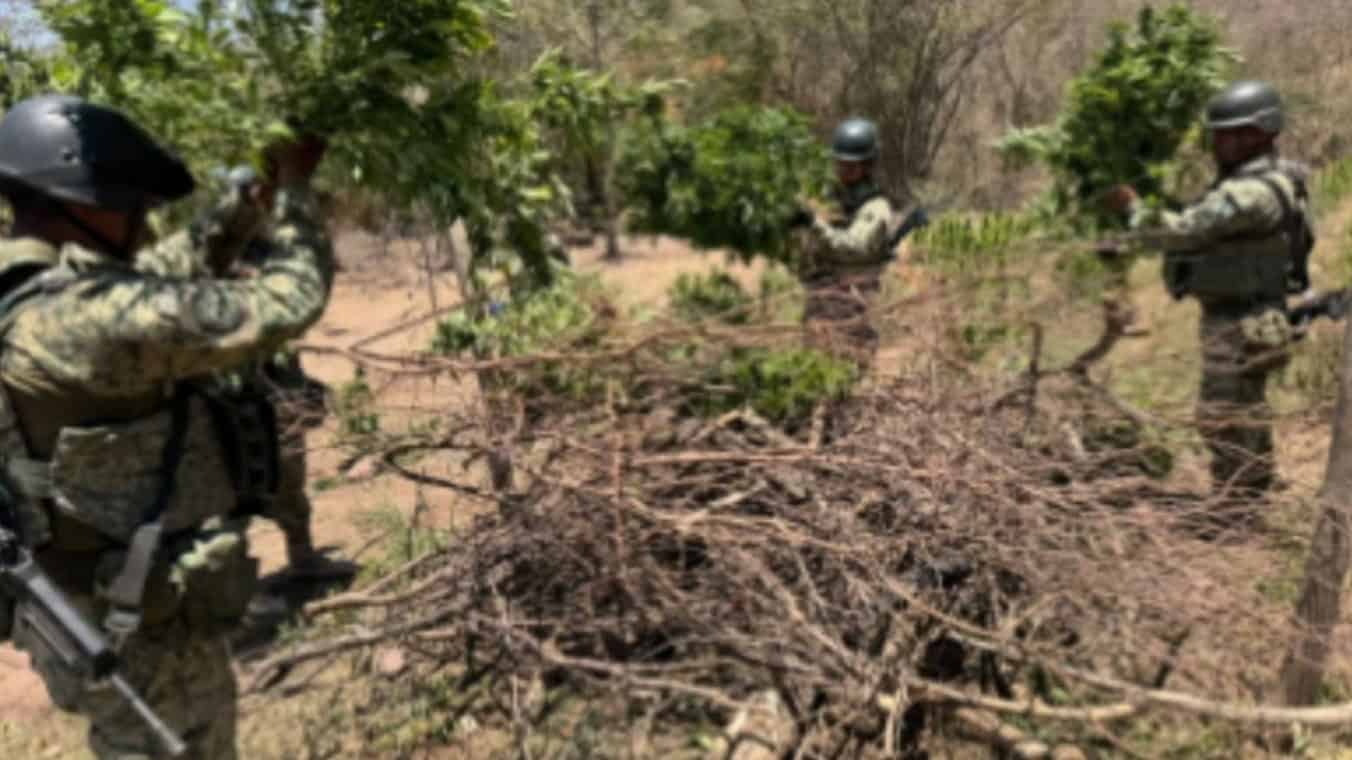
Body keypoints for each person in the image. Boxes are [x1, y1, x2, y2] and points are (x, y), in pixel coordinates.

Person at [0, 94, 333, 758]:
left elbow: (152, 274)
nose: (145, 225)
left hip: (79, 600)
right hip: (138, 626)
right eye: (132, 207)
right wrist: (295, 193)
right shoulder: (86, 319)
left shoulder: (26, 295)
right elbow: (288, 299)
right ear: (82, 202)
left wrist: (244, 207)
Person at [1105, 80, 1312, 520]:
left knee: (1222, 416)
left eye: (1232, 134)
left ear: (1262, 133)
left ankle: (1234, 510)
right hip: (1249, 316)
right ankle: (1248, 495)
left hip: (1241, 322)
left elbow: (1182, 230)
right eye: (1218, 134)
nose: (1219, 144)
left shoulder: (1251, 193)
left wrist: (1133, 210)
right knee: (1245, 412)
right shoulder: (1264, 180)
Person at [791, 117, 897, 374]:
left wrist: (813, 223)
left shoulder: (876, 208)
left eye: (852, 166)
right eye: (840, 164)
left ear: (868, 166)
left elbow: (853, 248)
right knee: (815, 370)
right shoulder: (834, 202)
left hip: (851, 304)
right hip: (821, 303)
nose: (844, 171)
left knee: (849, 371)